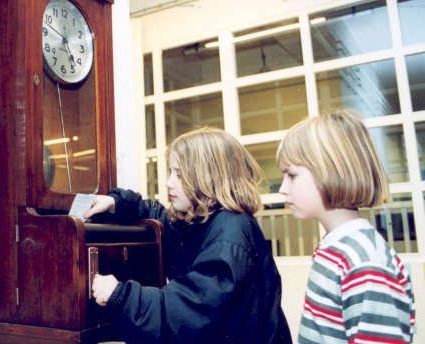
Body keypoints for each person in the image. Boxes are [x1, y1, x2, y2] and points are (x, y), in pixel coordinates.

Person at [84, 127, 292, 344]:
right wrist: (117, 203)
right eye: (170, 172)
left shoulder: (230, 234)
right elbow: (157, 215)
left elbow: (190, 311)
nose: (168, 182)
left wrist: (119, 296)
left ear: (208, 179)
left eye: (179, 175)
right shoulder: (199, 219)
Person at [276, 109, 416, 344]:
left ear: (330, 172)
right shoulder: (337, 247)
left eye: (292, 175)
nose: (282, 188)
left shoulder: (364, 260)